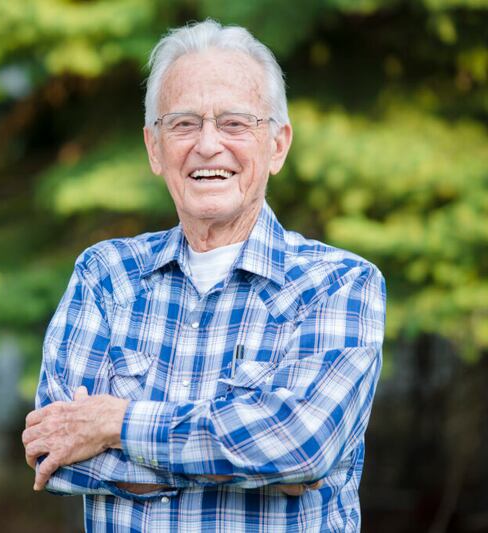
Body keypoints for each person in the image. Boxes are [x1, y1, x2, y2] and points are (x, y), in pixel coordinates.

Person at [22, 19, 385, 532]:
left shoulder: (339, 284)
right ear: (154, 147)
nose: (208, 145)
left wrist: (113, 424)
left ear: (277, 145)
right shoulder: (106, 276)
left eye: (235, 123)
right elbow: (51, 451)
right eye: (184, 124)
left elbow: (300, 445)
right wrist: (256, 469)